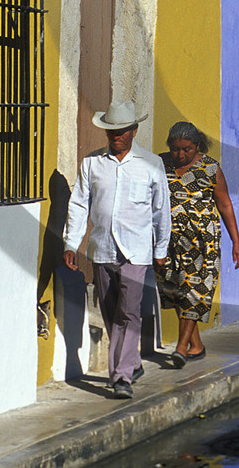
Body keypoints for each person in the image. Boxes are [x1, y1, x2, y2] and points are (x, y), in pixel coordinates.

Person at [62, 100, 173, 399]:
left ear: (134, 131)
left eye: (123, 131)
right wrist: (71, 242)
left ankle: (120, 377)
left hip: (136, 252)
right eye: (112, 131)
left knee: (129, 313)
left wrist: (161, 248)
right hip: (102, 249)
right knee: (111, 312)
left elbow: (161, 210)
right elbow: (79, 205)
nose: (117, 136)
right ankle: (132, 362)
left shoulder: (151, 164)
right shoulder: (92, 163)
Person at [157, 121, 239, 361]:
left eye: (187, 149)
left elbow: (224, 204)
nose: (181, 155)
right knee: (176, 293)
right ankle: (196, 345)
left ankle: (181, 348)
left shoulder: (211, 168)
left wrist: (236, 242)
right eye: (175, 149)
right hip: (169, 242)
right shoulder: (160, 164)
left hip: (203, 243)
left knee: (196, 291)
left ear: (197, 146)